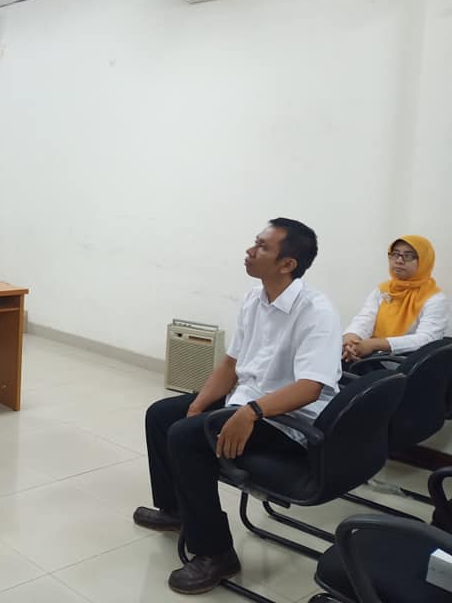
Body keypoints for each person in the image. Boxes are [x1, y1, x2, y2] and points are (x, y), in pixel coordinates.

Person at [133, 218, 341, 595]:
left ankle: (216, 552)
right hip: (246, 402)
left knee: (184, 437)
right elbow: (231, 364)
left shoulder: (316, 311)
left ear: (287, 264)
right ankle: (176, 510)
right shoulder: (253, 299)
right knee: (162, 415)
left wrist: (252, 412)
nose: (250, 250)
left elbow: (311, 387)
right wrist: (198, 404)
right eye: (254, 242)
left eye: (262, 246)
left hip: (287, 420)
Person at [342, 236, 447, 363]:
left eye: (408, 256)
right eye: (395, 254)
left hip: (406, 364)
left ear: (424, 261)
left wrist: (376, 344)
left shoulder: (435, 299)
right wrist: (350, 340)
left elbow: (426, 339)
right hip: (371, 357)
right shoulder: (383, 290)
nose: (399, 260)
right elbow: (364, 319)